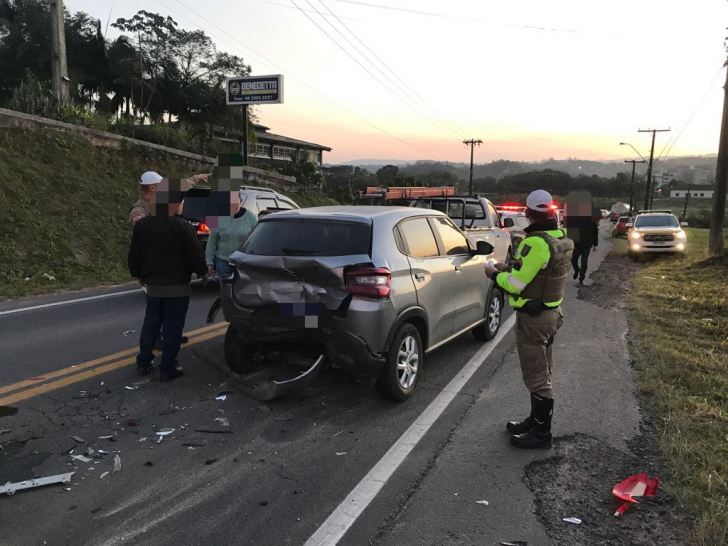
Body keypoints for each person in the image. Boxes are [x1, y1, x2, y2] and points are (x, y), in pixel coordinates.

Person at [484, 190, 574, 449]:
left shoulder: (534, 243)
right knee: (543, 370)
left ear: (528, 213)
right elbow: (538, 273)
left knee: (536, 374)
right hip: (551, 313)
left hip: (534, 318)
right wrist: (507, 268)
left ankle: (541, 433)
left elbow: (514, 285)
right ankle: (535, 421)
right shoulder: (560, 239)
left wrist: (493, 274)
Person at [128, 188, 209, 382]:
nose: (182, 206)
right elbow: (195, 253)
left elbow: (134, 254)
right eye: (181, 204)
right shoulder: (182, 226)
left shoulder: (143, 225)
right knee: (173, 327)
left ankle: (144, 362)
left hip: (153, 284)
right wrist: (203, 272)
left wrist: (138, 274)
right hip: (177, 285)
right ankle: (168, 367)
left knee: (151, 323)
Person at [129, 170, 210, 227]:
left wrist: (198, 177)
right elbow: (141, 225)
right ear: (152, 188)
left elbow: (184, 184)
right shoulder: (139, 209)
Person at [205, 192, 258, 278]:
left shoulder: (251, 218)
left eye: (236, 203)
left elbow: (257, 240)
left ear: (240, 201)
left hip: (243, 262)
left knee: (241, 289)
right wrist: (209, 263)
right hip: (223, 261)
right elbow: (212, 242)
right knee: (226, 289)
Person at [571, 211, 600, 285]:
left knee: (584, 262)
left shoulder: (593, 222)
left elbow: (595, 233)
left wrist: (595, 244)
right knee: (573, 260)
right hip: (577, 244)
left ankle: (581, 278)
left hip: (587, 245)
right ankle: (577, 270)